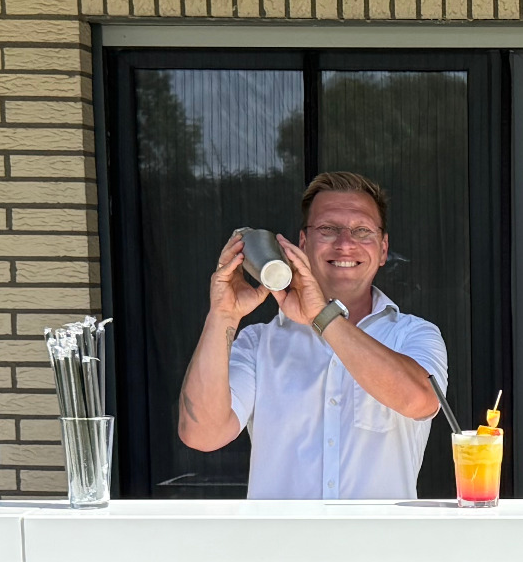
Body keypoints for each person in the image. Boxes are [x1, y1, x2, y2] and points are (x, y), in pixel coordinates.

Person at [177, 170, 447, 500]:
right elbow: (202, 434)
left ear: (383, 249)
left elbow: (419, 401)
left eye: (362, 231)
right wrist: (223, 315)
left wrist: (323, 316)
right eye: (328, 229)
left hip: (380, 537)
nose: (345, 244)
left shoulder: (414, 334)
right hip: (282, 537)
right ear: (303, 244)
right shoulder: (258, 343)